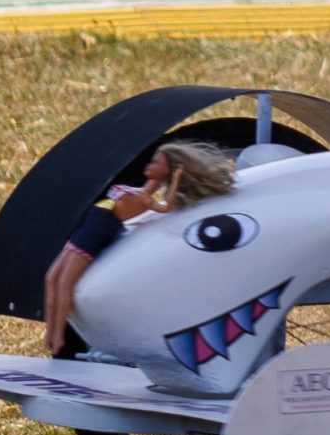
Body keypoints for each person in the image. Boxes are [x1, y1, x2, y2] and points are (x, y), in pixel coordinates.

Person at [42, 141, 237, 353]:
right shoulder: (138, 192)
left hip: (94, 234)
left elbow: (166, 206)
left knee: (64, 283)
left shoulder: (146, 200)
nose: (150, 165)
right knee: (51, 278)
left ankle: (58, 338)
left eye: (157, 163)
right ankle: (51, 332)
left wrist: (177, 180)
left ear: (167, 172)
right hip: (86, 229)